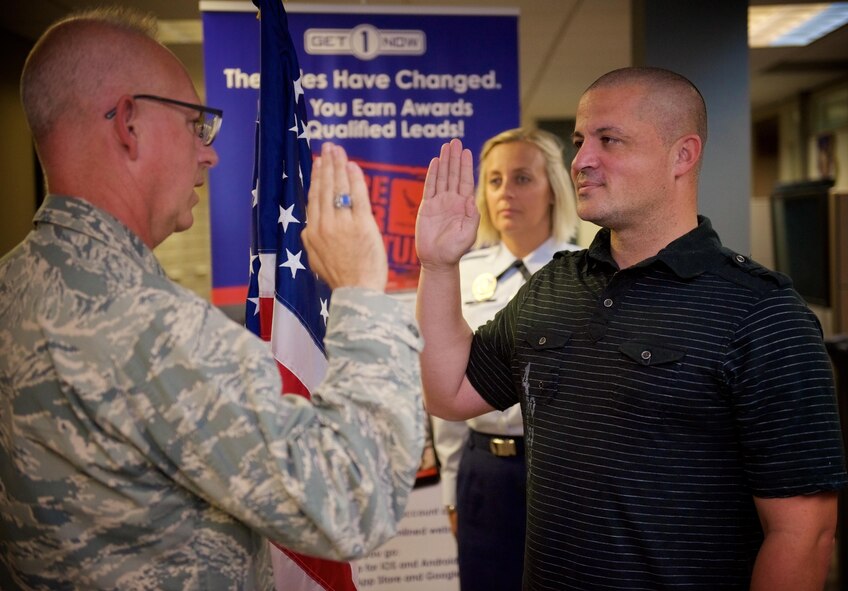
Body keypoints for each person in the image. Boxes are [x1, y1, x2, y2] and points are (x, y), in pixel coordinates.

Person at [0, 8, 424, 590]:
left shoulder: (12, 288)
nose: (210, 154)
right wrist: (361, 292)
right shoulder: (151, 328)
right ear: (129, 124)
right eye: (195, 124)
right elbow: (354, 502)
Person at [415, 66, 847, 591]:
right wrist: (438, 266)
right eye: (578, 141)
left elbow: (804, 535)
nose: (581, 161)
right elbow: (450, 390)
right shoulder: (555, 285)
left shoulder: (762, 313)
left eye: (609, 140)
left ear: (682, 156)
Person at [430, 127, 580, 591]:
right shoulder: (458, 271)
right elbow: (447, 394)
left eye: (521, 178)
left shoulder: (591, 273)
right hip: (486, 471)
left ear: (553, 189)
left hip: (565, 470)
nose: (504, 193)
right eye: (493, 181)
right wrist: (452, 487)